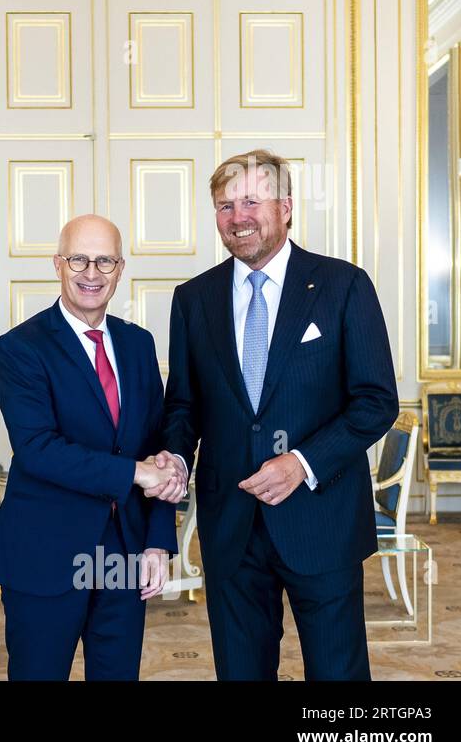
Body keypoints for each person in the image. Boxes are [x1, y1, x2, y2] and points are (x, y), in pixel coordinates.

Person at [146, 149, 398, 680]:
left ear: (285, 206)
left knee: (337, 677)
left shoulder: (343, 286)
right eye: (224, 205)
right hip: (231, 525)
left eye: (251, 201)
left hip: (320, 519)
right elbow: (184, 404)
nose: (237, 217)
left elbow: (376, 401)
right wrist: (173, 457)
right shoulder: (193, 300)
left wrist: (302, 463)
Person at [0, 213, 178, 681]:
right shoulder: (20, 347)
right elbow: (38, 449)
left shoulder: (137, 344)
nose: (92, 273)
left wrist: (157, 544)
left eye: (104, 261)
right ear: (57, 264)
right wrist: (135, 473)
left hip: (125, 552)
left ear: (120, 268)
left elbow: (158, 447)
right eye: (79, 260)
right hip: (46, 552)